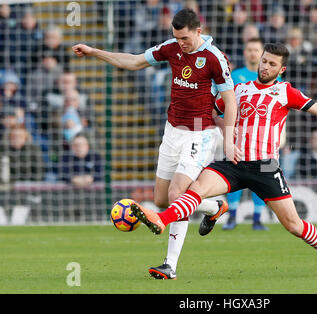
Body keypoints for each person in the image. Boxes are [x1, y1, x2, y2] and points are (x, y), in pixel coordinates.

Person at [130, 43, 317, 278]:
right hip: (234, 163)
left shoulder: (285, 91)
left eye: (272, 64)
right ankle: (161, 219)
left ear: (281, 69)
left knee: (294, 226)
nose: (265, 67)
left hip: (265, 168)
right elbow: (212, 111)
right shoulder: (239, 89)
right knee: (195, 189)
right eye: (264, 61)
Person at [72, 8, 239, 280]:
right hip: (172, 131)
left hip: (200, 134)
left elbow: (230, 102)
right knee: (162, 199)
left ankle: (169, 265)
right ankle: (214, 207)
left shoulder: (214, 58)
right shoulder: (171, 48)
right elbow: (134, 61)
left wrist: (229, 140)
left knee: (176, 195)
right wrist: (94, 52)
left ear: (198, 31)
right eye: (176, 37)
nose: (181, 43)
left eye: (185, 38)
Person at [223, 37, 269, 231]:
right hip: (239, 135)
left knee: (263, 177)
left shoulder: (271, 77)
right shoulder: (235, 76)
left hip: (263, 137)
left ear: (262, 54)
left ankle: (258, 219)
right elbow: (226, 103)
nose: (252, 53)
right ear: (245, 52)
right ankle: (232, 217)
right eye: (249, 49)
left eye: (256, 50)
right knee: (234, 175)